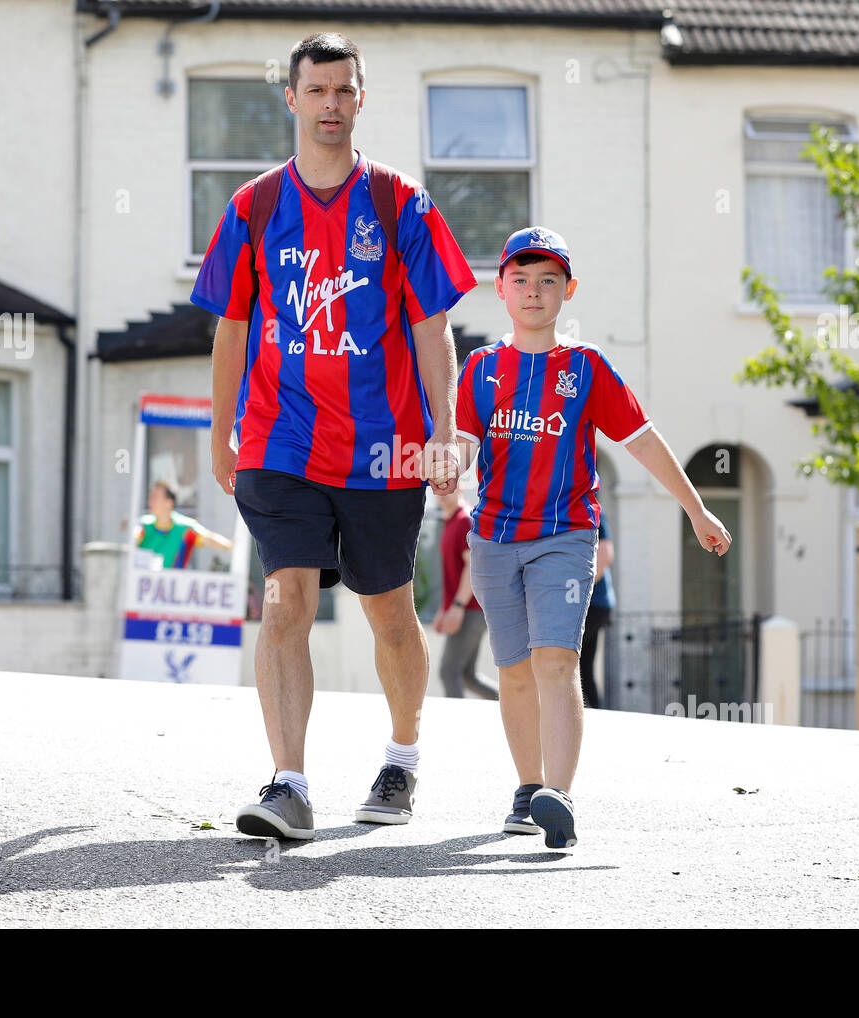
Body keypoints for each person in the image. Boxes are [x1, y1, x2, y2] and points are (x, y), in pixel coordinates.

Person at [190, 32, 476, 841]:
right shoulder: (253, 207)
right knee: (285, 599)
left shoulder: (399, 203)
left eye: (343, 91)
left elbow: (432, 329)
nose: (329, 106)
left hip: (385, 449)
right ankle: (288, 783)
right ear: (290, 98)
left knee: (388, 611)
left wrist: (446, 433)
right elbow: (232, 331)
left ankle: (402, 757)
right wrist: (223, 434)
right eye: (315, 91)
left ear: (361, 97)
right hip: (280, 443)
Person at [456, 226, 732, 848]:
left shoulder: (585, 368)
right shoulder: (479, 369)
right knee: (515, 670)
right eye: (521, 280)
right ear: (500, 288)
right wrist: (435, 464)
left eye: (548, 281)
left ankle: (560, 794)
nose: (533, 292)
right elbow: (460, 451)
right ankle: (528, 790)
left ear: (568, 291)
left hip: (566, 535)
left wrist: (696, 509)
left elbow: (644, 441)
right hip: (494, 539)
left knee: (557, 659)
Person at [433, 489, 499, 700]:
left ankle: (457, 727)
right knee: (467, 676)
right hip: (467, 610)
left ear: (460, 488)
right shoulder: (451, 521)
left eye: (448, 486)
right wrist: (444, 609)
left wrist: (458, 607)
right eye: (437, 487)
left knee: (448, 671)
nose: (441, 492)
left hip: (471, 610)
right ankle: (519, 707)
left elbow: (473, 566)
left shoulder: (465, 520)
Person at [134, 481, 232, 570]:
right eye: (150, 497)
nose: (150, 502)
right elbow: (132, 538)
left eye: (155, 497)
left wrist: (230, 547)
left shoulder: (185, 528)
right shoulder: (143, 524)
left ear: (169, 502)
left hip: (174, 585)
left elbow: (209, 538)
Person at [579, 509, 615, 709]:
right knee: (583, 667)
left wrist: (583, 587)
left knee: (567, 661)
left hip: (592, 603)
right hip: (595, 604)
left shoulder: (593, 511)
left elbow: (606, 554)